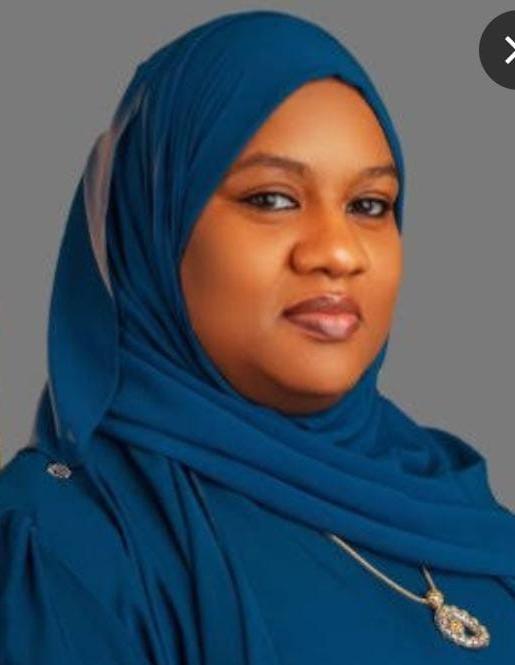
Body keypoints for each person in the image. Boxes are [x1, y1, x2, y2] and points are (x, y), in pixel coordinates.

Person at [1, 8, 515, 664]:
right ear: (154, 225)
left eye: (369, 205)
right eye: (271, 199)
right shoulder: (69, 544)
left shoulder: (450, 500)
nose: (338, 252)